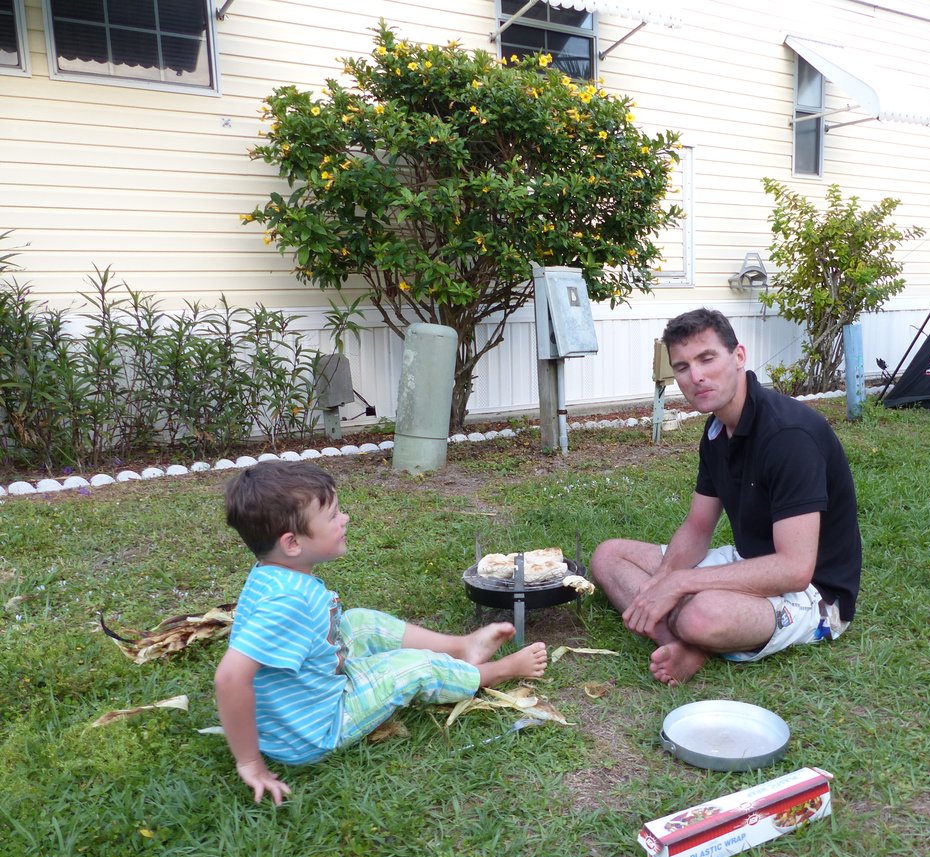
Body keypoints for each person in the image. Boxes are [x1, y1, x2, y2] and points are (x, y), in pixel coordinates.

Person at [215, 460, 548, 805]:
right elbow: (230, 678)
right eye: (332, 517)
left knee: (357, 622)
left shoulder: (274, 576)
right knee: (409, 668)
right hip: (316, 727)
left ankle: (461, 648)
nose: (344, 519)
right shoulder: (285, 602)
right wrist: (250, 761)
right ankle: (492, 672)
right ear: (292, 544)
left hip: (306, 692)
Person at [591, 308, 861, 686]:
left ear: (738, 357)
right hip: (751, 563)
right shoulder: (718, 428)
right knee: (608, 556)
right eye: (682, 366)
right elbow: (699, 527)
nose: (696, 376)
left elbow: (795, 569)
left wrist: (681, 585)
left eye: (707, 358)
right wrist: (665, 579)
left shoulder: (789, 436)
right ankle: (679, 645)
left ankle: (692, 633)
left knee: (701, 614)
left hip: (814, 595)